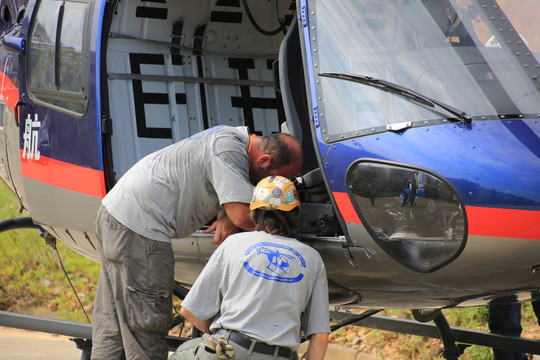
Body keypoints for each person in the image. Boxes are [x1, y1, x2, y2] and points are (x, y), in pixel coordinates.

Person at [91, 125, 303, 360]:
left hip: (116, 216)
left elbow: (232, 201)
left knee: (112, 324)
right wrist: (284, 237)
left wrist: (227, 212)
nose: (269, 185)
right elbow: (242, 215)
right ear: (263, 160)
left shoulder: (229, 137)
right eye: (272, 178)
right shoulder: (228, 151)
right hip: (141, 228)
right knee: (145, 324)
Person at [171, 176, 330, 360]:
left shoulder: (233, 244)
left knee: (185, 352)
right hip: (278, 356)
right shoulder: (312, 258)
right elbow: (320, 337)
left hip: (229, 350)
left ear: (254, 213)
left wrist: (219, 339)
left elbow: (190, 311)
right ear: (295, 215)